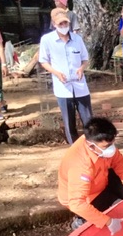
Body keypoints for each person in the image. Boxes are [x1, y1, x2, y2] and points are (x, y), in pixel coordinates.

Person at [58, 117, 123, 232]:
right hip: (88, 197)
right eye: (107, 147)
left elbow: (118, 161)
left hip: (99, 181)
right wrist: (108, 221)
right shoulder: (81, 166)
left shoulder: (99, 142)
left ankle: (107, 206)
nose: (111, 149)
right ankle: (82, 220)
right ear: (91, 146)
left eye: (112, 144)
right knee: (118, 211)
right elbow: (77, 203)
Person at [39, 8, 93, 145]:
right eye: (60, 24)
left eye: (65, 23)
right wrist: (56, 73)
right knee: (69, 121)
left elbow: (85, 59)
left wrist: (81, 68)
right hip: (63, 87)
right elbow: (43, 61)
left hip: (80, 85)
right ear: (54, 23)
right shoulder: (47, 40)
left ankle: (93, 144)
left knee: (88, 119)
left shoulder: (77, 39)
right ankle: (74, 148)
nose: (63, 26)